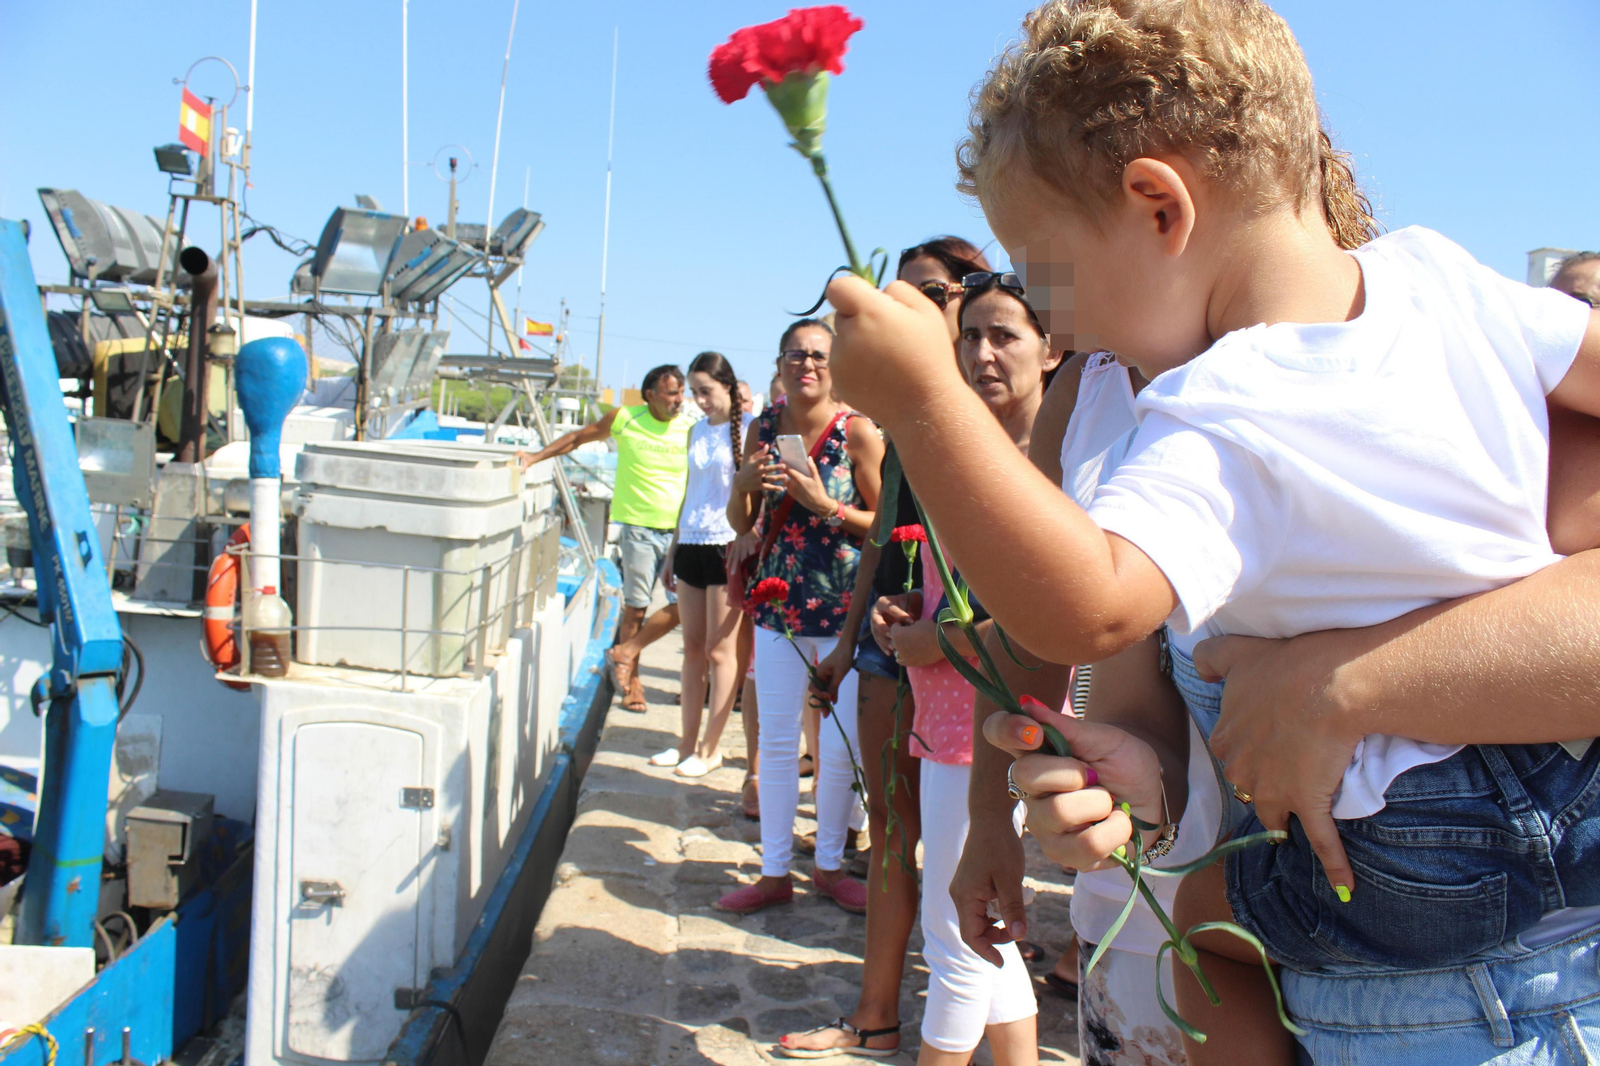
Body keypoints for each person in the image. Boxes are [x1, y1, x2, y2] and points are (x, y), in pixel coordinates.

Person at [822, 2, 1600, 1064]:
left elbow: (1085, 607)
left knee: (1197, 932)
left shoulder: (1218, 406)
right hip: (1574, 787)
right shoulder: (1439, 276)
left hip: (1412, 850)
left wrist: (924, 404)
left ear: (1159, 208)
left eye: (1044, 270)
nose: (1053, 317)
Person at [780, 237, 993, 1059]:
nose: (911, 308)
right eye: (898, 295)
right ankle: (876, 1014)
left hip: (969, 646)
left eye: (931, 294)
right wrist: (843, 644)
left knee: (966, 845)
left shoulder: (998, 396)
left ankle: (967, 1012)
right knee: (893, 827)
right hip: (886, 640)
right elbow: (883, 536)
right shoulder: (903, 411)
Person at [875, 275, 1055, 1066]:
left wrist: (938, 641)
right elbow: (961, 589)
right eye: (970, 336)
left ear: (1050, 350)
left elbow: (1055, 612)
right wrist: (908, 612)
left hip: (993, 721)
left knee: (955, 933)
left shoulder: (1052, 463)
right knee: (989, 939)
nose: (982, 353)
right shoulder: (969, 456)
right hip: (948, 715)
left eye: (1004, 335)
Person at [715, 318, 883, 917]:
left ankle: (830, 865)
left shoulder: (858, 432)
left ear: (836, 365)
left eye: (818, 355)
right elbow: (744, 522)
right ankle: (774, 872)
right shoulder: (764, 428)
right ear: (780, 362)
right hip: (778, 610)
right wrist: (741, 484)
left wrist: (826, 506)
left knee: (838, 750)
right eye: (795, 354)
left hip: (845, 614)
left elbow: (886, 527)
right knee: (779, 743)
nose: (806, 364)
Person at [519, 365, 693, 713]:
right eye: (672, 393)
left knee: (687, 608)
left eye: (681, 392)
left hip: (681, 532)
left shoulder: (691, 427)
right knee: (636, 609)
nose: (679, 400)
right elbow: (578, 438)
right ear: (650, 395)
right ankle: (632, 683)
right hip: (638, 528)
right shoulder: (624, 418)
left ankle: (628, 655)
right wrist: (535, 457)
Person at [645, 352, 755, 776]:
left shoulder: (750, 428)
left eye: (706, 391)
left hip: (727, 544)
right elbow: (690, 492)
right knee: (692, 649)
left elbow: (757, 494)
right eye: (694, 392)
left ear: (727, 386)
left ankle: (711, 749)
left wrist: (749, 534)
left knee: (719, 651)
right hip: (691, 541)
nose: (700, 400)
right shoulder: (695, 431)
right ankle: (686, 743)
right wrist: (672, 550)